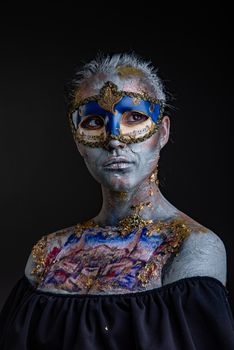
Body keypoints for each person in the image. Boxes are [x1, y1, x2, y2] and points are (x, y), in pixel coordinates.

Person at [0, 53, 233, 349]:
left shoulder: (190, 247)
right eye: (94, 121)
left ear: (162, 133)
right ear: (78, 142)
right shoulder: (48, 253)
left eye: (134, 117)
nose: (114, 139)